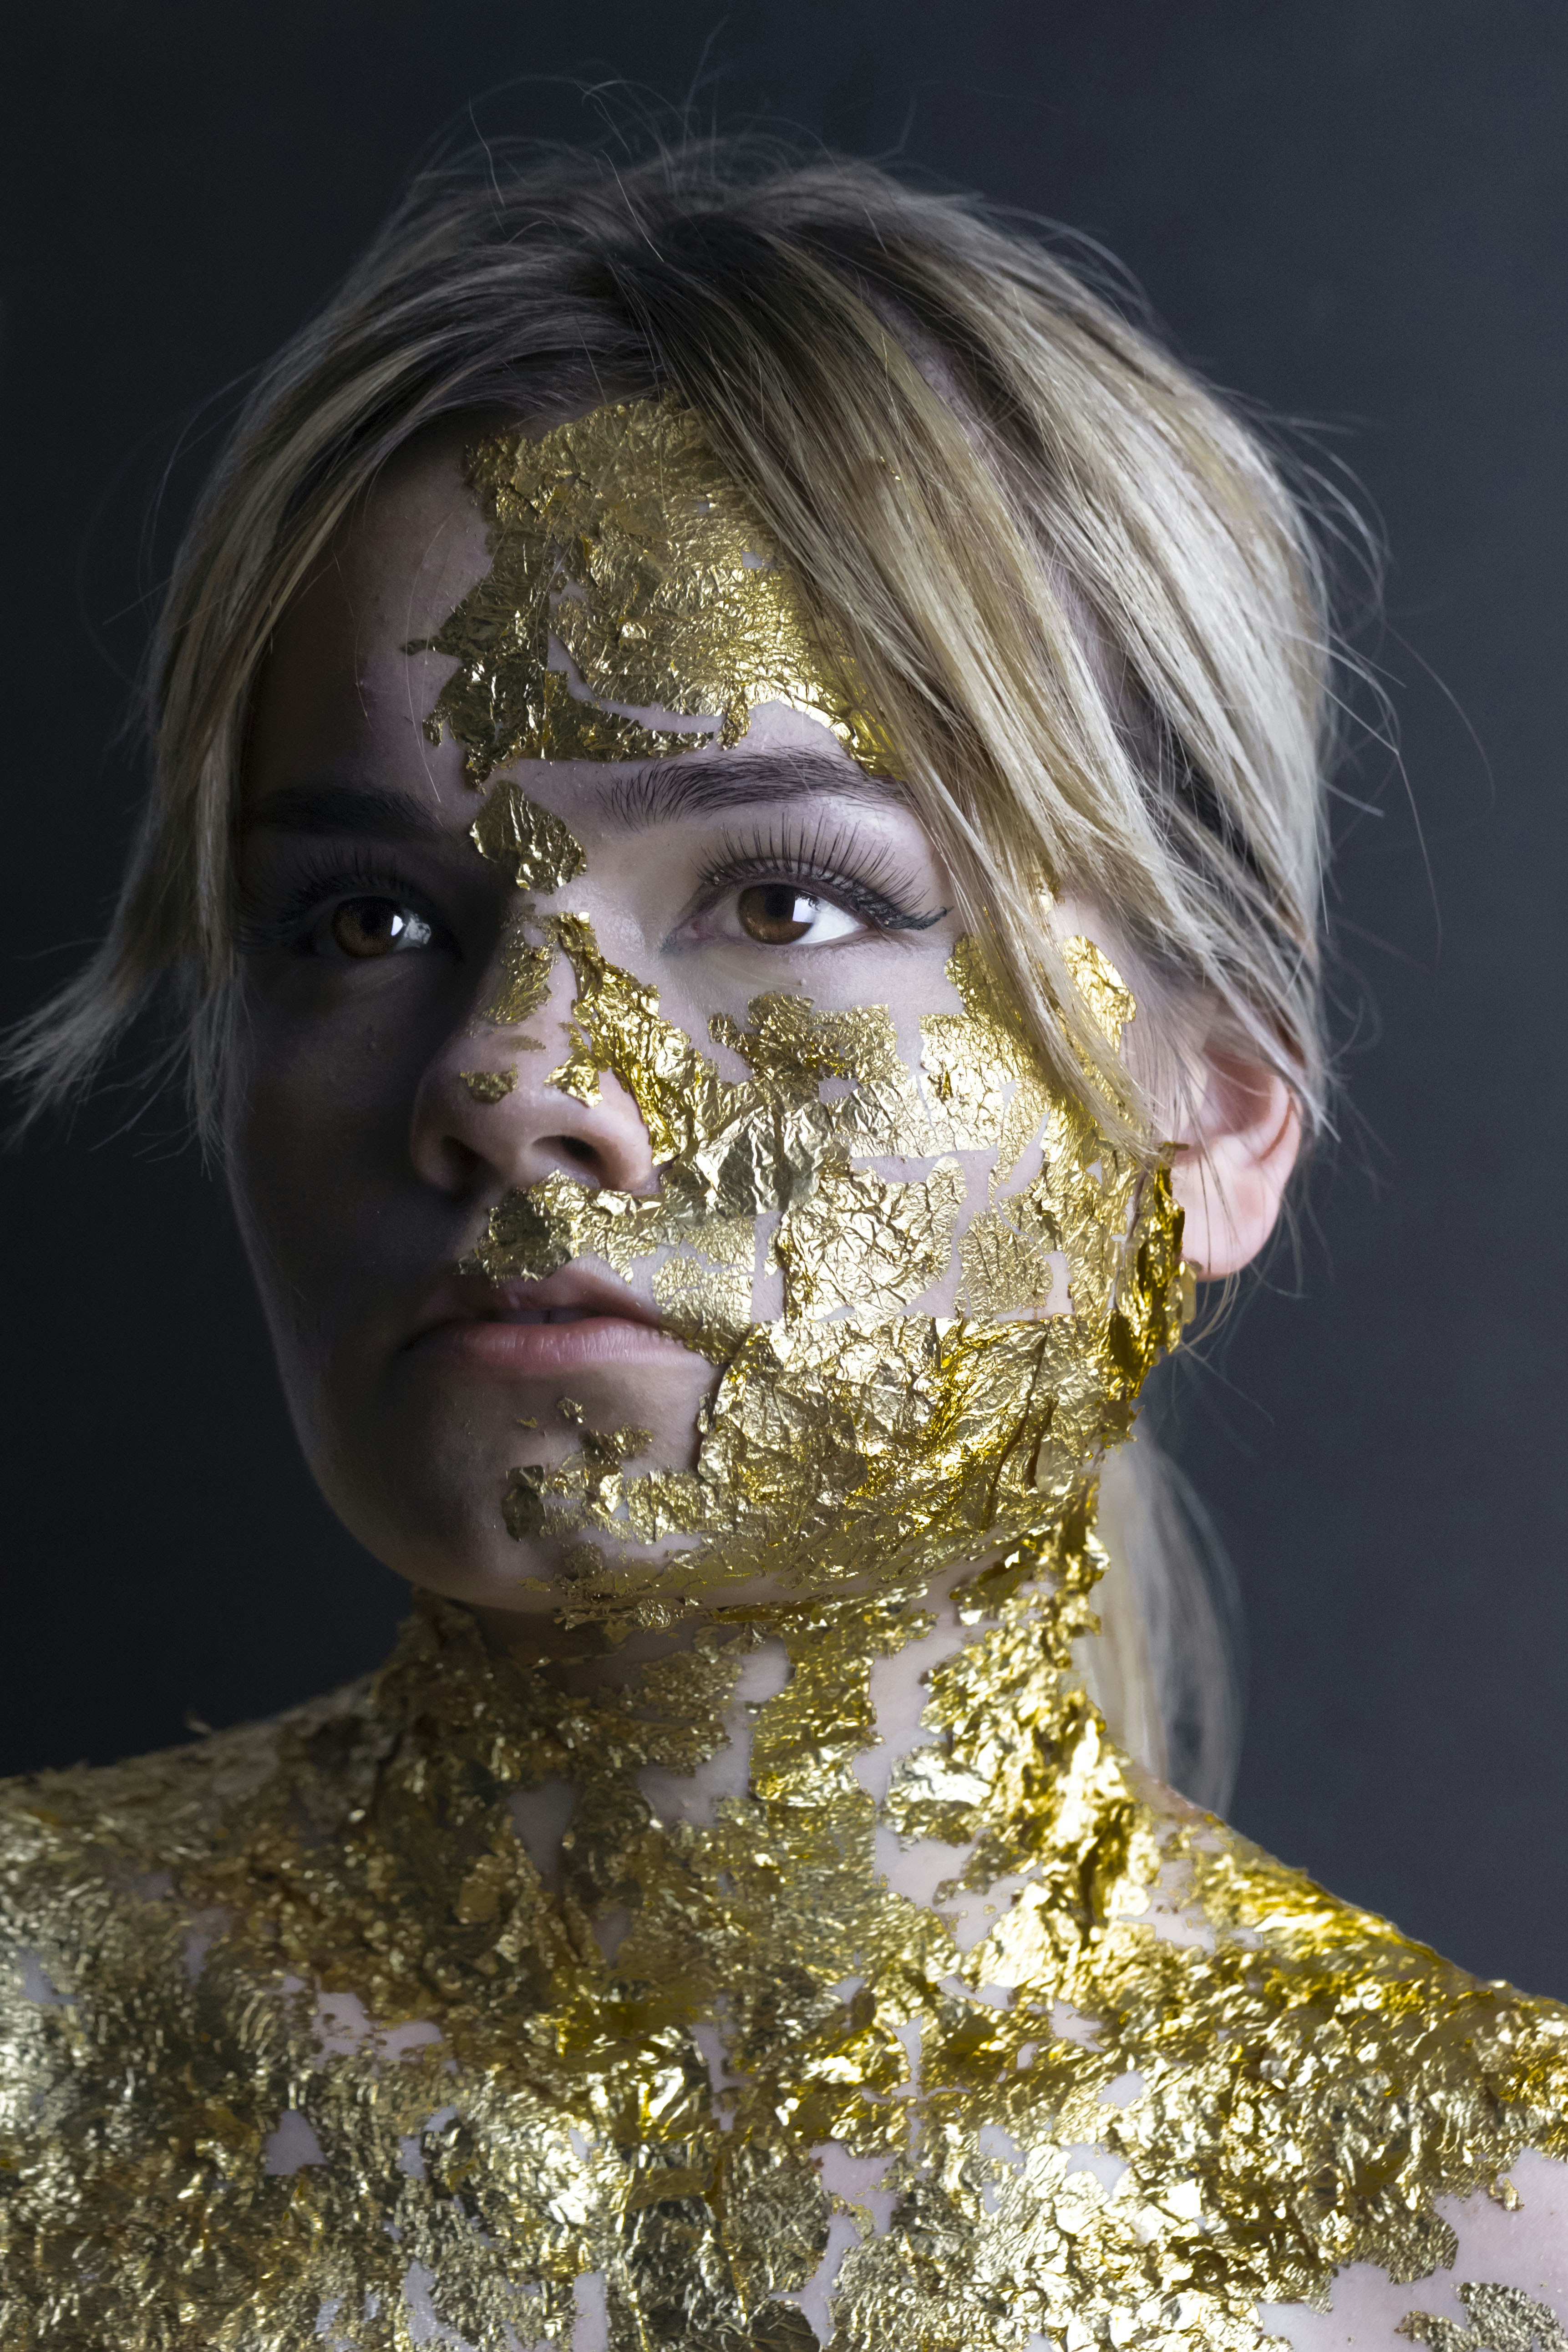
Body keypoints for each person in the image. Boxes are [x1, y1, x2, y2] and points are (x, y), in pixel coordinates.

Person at [2, 138, 1564, 2352]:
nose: (507, 1071)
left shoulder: (1483, 2250)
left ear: (1215, 1112)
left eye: (780, 898)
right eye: (371, 920)